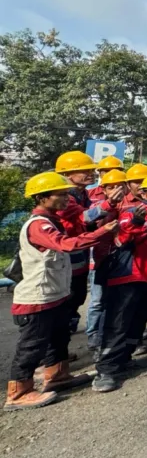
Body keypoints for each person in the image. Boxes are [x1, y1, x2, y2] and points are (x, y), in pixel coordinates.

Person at [5, 173, 116, 411]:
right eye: (61, 194)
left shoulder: (53, 220)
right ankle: (18, 392)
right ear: (43, 197)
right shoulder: (39, 225)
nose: (67, 198)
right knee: (32, 345)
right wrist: (101, 232)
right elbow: (66, 244)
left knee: (59, 337)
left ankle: (57, 375)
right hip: (37, 298)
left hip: (55, 294)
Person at [93, 172, 147, 393]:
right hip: (129, 276)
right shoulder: (134, 212)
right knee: (118, 324)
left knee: (137, 322)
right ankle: (106, 370)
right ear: (143, 193)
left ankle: (124, 359)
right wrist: (136, 222)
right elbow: (122, 238)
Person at [82, 169, 130, 352]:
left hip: (122, 259)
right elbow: (89, 226)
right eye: (111, 187)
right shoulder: (99, 207)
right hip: (101, 258)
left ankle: (111, 334)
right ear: (104, 189)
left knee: (117, 300)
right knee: (98, 300)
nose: (116, 190)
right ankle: (94, 334)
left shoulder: (130, 206)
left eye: (120, 186)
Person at [53, 151, 97, 335]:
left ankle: (64, 337)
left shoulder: (83, 194)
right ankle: (54, 349)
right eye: (83, 171)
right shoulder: (65, 197)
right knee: (66, 299)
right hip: (65, 255)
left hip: (80, 253)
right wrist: (110, 204)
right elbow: (85, 217)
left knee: (77, 296)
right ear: (66, 175)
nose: (90, 173)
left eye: (91, 170)